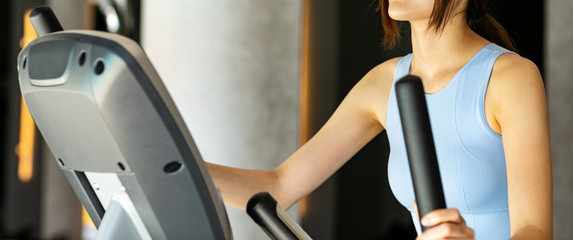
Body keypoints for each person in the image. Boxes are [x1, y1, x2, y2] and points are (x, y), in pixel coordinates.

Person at [207, 0, 552, 239]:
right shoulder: (383, 83)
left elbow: (536, 230)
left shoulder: (510, 77)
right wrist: (171, 166)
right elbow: (280, 186)